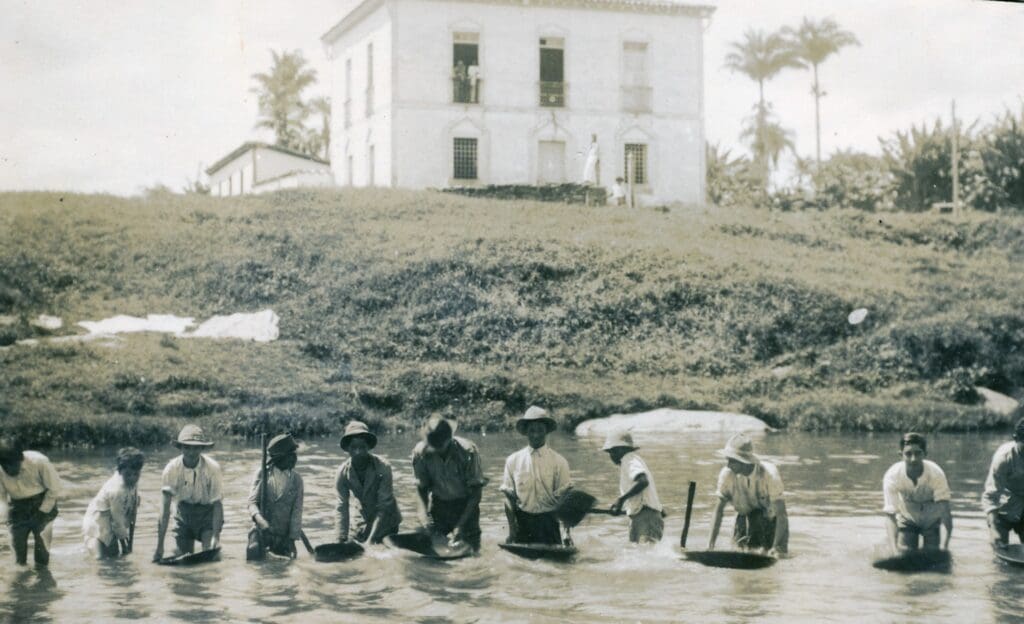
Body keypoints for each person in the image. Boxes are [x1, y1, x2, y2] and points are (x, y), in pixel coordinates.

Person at [500, 406, 573, 545]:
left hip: (549, 522)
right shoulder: (513, 461)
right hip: (523, 522)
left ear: (546, 431)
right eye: (532, 430)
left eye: (540, 430)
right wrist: (512, 531)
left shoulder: (559, 462)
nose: (536, 435)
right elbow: (509, 499)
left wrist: (566, 532)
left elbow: (566, 500)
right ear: (526, 432)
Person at [412, 415, 486, 551]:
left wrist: (460, 526)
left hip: (466, 507)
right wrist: (423, 516)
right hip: (439, 506)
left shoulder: (468, 451)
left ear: (449, 438)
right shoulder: (420, 452)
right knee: (435, 553)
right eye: (432, 445)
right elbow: (421, 488)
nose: (436, 449)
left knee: (471, 555)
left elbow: (476, 493)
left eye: (440, 445)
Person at [707, 433, 789, 555]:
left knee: (776, 559)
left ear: (744, 462)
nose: (728, 465)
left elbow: (781, 515)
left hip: (772, 523)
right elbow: (718, 511)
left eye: (732, 461)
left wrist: (776, 547)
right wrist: (710, 546)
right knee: (738, 555)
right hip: (744, 519)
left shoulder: (769, 474)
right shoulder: (727, 474)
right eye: (727, 460)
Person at [153, 424, 223, 562]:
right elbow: (165, 510)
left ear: (202, 448)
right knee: (180, 557)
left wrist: (216, 537)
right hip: (183, 515)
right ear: (180, 448)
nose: (191, 452)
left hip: (207, 514)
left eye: (196, 447)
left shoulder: (213, 468)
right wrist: (159, 546)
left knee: (211, 555)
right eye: (187, 447)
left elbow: (217, 504)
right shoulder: (171, 469)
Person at [882, 432, 953, 553]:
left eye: (918, 453)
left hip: (932, 516)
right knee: (904, 554)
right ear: (901, 455)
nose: (913, 459)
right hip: (907, 515)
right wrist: (894, 551)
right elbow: (890, 515)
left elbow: (946, 514)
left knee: (933, 557)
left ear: (925, 454)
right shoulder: (892, 476)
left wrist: (944, 547)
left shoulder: (936, 474)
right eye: (908, 454)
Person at [335, 421, 401, 544]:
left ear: (369, 447)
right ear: (347, 449)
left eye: (362, 447)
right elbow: (341, 507)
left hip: (387, 522)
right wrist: (340, 539)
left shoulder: (383, 467)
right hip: (361, 522)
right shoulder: (342, 472)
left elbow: (384, 507)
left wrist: (370, 540)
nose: (358, 452)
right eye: (353, 447)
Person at [0, 437, 62, 566]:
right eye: (4, 467)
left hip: (43, 503)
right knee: (17, 559)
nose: (9, 470)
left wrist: (42, 512)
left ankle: (43, 582)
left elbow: (54, 489)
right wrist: (4, 518)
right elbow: (2, 498)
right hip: (17, 508)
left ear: (21, 459)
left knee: (42, 556)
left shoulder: (39, 462)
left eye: (12, 465)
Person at [247, 433, 304, 560]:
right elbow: (251, 503)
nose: (294, 458)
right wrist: (261, 521)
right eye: (290, 455)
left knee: (287, 566)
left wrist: (292, 539)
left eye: (295, 454)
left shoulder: (296, 480)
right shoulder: (263, 474)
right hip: (261, 532)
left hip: (283, 536)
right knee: (253, 552)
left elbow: (297, 511)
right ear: (279, 458)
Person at [603, 430, 664, 544]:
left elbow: (643, 482)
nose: (611, 456)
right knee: (639, 554)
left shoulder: (629, 459)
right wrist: (624, 507)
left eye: (612, 452)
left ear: (620, 449)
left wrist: (621, 500)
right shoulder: (631, 461)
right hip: (641, 515)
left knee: (646, 554)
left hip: (645, 516)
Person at [82, 447, 144, 560]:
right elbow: (118, 523)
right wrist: (125, 547)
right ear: (119, 471)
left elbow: (131, 513)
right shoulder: (116, 490)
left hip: (110, 523)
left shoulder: (132, 482)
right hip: (96, 523)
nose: (133, 478)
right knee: (100, 560)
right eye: (128, 474)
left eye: (136, 474)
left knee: (114, 557)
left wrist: (128, 544)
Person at [983, 417, 1024, 549]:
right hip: (1003, 507)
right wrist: (993, 528)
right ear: (1016, 439)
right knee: (999, 548)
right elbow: (991, 496)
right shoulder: (1003, 458)